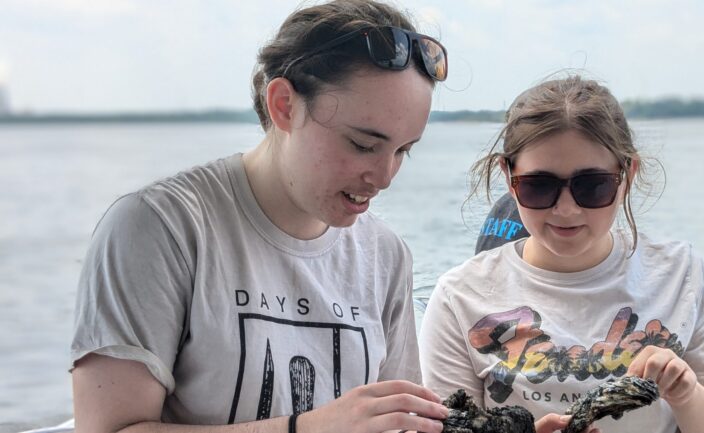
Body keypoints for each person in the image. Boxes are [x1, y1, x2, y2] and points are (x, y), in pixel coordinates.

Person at [70, 1, 452, 432]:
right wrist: (306, 428)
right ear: (284, 105)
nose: (384, 177)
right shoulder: (161, 227)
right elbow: (109, 428)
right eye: (363, 144)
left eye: (404, 150)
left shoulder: (386, 255)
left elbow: (399, 422)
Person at [419, 76, 704, 433]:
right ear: (509, 177)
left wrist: (687, 392)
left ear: (626, 175)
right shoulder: (459, 296)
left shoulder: (682, 275)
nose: (566, 210)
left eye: (593, 186)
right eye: (540, 186)